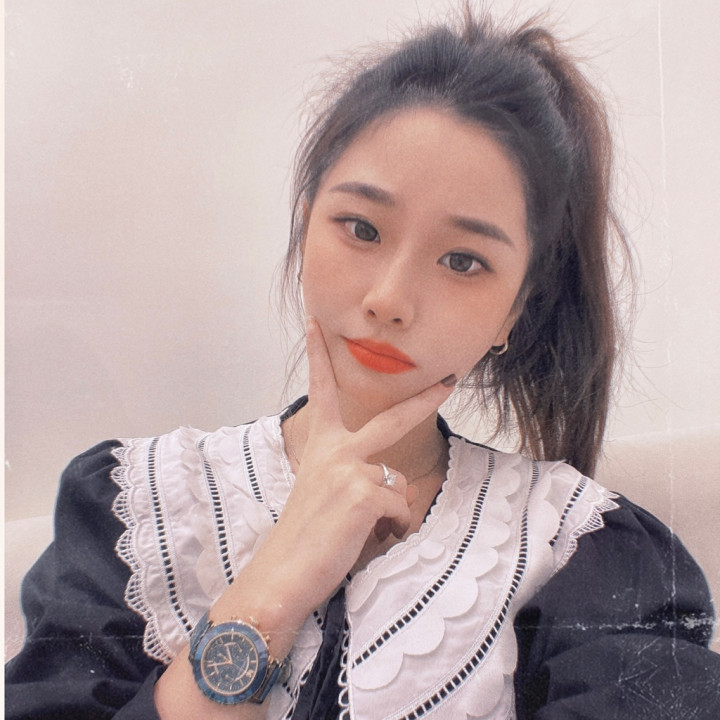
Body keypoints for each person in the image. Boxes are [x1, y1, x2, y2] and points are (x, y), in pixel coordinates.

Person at [6, 8, 720, 719]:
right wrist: (272, 588)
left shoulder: (585, 552)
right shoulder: (132, 508)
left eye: (463, 261)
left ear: (515, 310)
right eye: (362, 228)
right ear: (305, 225)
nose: (390, 299)